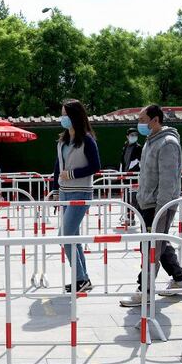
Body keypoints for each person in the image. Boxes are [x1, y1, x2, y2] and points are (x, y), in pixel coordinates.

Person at [120, 105, 182, 307]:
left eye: (142, 119)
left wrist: (161, 210)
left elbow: (168, 181)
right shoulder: (151, 141)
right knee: (157, 243)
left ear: (155, 119)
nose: (139, 123)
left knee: (151, 247)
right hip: (145, 201)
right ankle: (178, 278)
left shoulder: (167, 143)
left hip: (157, 205)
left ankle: (145, 290)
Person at [51, 99, 101, 293]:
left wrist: (71, 174)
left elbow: (95, 166)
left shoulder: (87, 139)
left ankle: (80, 278)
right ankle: (83, 279)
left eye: (65, 114)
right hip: (64, 192)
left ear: (75, 116)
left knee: (64, 236)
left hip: (81, 191)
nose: (62, 118)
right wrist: (55, 190)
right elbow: (58, 166)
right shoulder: (63, 140)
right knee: (73, 237)